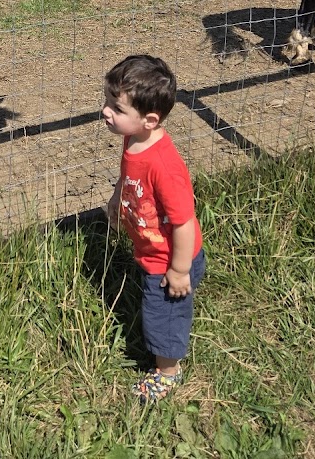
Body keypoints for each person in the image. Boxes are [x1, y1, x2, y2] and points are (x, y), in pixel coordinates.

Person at [103, 54, 205, 403]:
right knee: (159, 310)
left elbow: (184, 221)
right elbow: (128, 174)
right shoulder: (134, 138)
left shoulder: (163, 164)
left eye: (116, 108)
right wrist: (118, 196)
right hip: (153, 253)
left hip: (169, 261)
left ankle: (167, 372)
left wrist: (179, 270)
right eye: (107, 101)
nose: (106, 111)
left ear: (149, 120)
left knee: (162, 315)